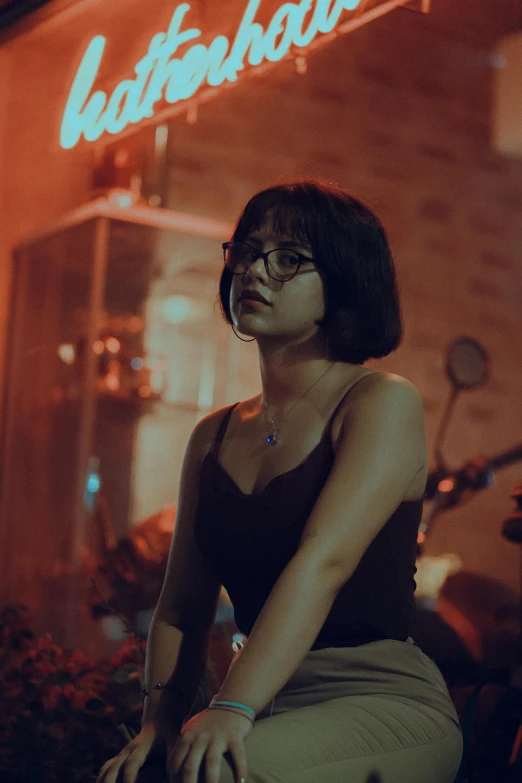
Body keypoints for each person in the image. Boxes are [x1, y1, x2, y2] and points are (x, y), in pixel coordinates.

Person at [97, 180, 463, 783]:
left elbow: (324, 562)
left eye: (289, 259)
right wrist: (158, 724)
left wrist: (232, 705)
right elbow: (181, 609)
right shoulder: (212, 436)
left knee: (220, 774)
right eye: (246, 250)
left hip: (381, 701)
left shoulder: (379, 402)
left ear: (343, 283)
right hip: (263, 703)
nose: (253, 271)